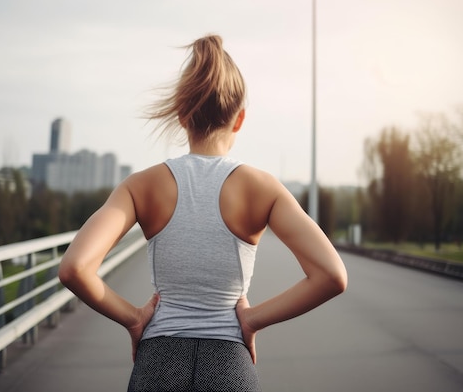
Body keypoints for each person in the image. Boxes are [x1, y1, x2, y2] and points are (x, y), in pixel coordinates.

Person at [58, 34, 348, 392]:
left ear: (183, 116)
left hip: (157, 365)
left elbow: (74, 269)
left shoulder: (140, 186)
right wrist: (253, 320)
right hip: (230, 367)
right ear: (239, 119)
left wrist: (133, 318)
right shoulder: (263, 188)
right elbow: (332, 275)